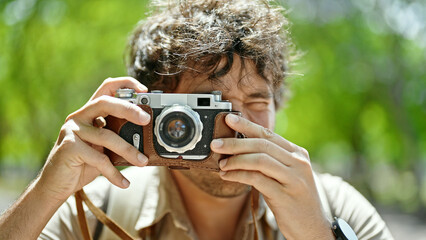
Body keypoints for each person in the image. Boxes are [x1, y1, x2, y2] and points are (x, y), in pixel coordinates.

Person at [0, 0, 394, 239]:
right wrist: (46, 194)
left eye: (256, 101)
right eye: (209, 103)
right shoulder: (93, 210)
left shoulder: (333, 207)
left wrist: (317, 236)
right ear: (148, 108)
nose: (235, 122)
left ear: (278, 106)